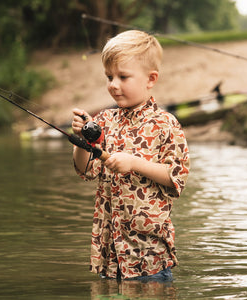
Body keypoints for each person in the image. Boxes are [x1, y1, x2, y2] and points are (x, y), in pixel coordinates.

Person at [72, 30, 190, 281]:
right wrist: (82, 141)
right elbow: (85, 170)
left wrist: (134, 163)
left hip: (148, 257)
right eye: (109, 77)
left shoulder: (165, 124)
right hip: (109, 255)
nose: (113, 84)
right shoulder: (103, 120)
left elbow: (176, 176)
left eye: (123, 77)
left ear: (150, 79)